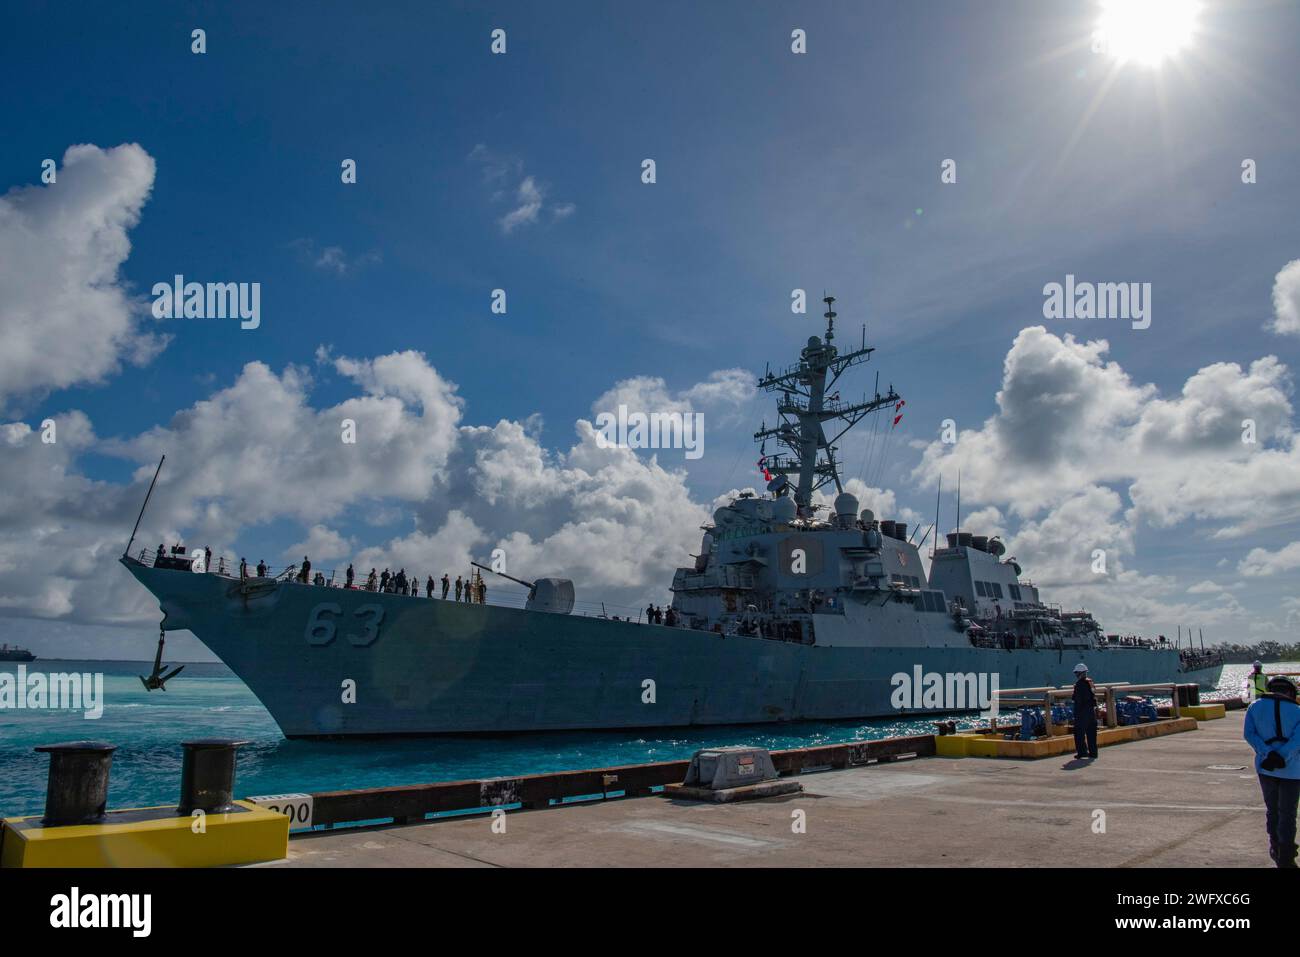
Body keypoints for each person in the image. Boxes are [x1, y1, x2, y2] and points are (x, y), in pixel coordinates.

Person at [1243, 676, 1300, 868]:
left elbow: (1249, 734)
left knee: (1273, 809)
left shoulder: (1254, 707)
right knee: (1288, 812)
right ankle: (1286, 854)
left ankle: (1275, 846)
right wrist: (1283, 756)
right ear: (1290, 692)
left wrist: (1267, 754)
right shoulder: (1297, 711)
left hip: (1265, 768)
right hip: (1292, 770)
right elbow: (1297, 741)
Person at [1071, 663, 1099, 760]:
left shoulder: (1079, 685)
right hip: (1091, 711)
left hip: (1082, 712)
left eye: (1076, 673)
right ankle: (1093, 752)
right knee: (1091, 733)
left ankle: (1082, 752)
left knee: (1079, 733)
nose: (1076, 675)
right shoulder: (1090, 682)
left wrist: (1076, 713)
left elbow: (1078, 699)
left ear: (1079, 673)